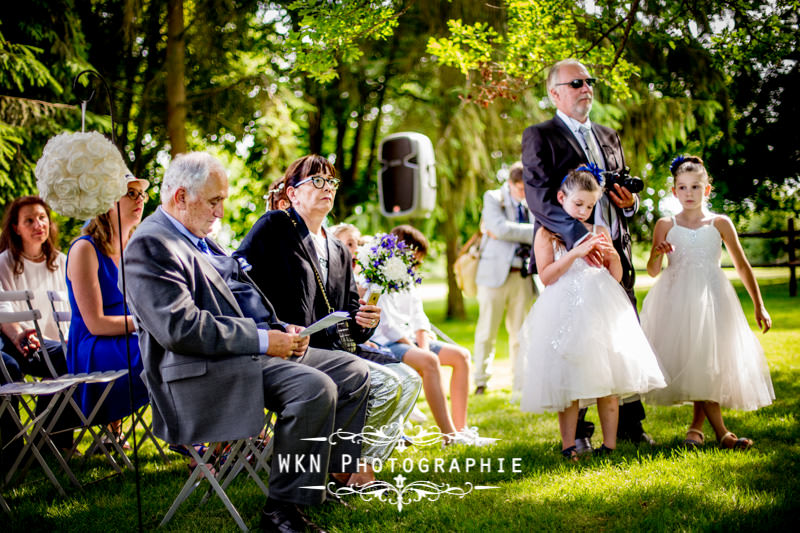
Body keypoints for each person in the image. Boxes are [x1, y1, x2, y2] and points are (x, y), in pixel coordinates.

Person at [124, 152, 370, 532]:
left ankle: (317, 482)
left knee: (353, 371)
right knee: (314, 387)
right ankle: (282, 511)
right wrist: (261, 341)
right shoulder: (152, 243)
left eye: (222, 200)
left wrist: (281, 328)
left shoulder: (201, 239)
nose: (221, 212)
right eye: (214, 201)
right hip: (200, 373)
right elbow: (179, 328)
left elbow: (242, 297)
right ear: (180, 197)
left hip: (244, 355)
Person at [236, 155, 421, 487]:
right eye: (317, 181)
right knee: (385, 384)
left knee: (409, 380)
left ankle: (351, 465)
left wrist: (366, 320)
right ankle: (348, 472)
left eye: (331, 182)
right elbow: (238, 280)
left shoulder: (336, 249)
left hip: (337, 349)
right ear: (292, 193)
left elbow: (350, 315)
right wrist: (271, 328)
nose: (327, 188)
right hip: (290, 350)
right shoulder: (275, 227)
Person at [521, 58, 653, 448]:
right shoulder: (539, 135)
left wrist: (629, 206)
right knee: (575, 342)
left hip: (614, 254)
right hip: (571, 253)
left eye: (588, 81)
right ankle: (577, 435)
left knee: (620, 338)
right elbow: (539, 196)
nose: (585, 87)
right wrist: (582, 240)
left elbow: (621, 197)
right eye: (575, 82)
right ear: (554, 93)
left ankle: (631, 425)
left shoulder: (609, 135)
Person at [519, 167, 665, 460]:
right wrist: (574, 252)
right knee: (569, 383)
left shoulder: (599, 231)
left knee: (607, 382)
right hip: (565, 312)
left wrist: (613, 258)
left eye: (590, 205)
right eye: (578, 204)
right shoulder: (547, 233)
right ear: (561, 198)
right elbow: (546, 276)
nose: (583, 211)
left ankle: (608, 446)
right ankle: (568, 445)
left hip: (601, 312)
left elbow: (615, 276)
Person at [641, 156, 774, 450]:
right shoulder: (665, 224)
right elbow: (652, 270)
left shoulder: (720, 223)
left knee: (707, 364)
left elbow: (742, 265)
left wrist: (759, 304)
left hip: (713, 299)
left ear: (708, 189)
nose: (689, 193)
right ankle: (720, 433)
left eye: (696, 187)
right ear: (674, 191)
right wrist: (656, 254)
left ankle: (698, 429)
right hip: (676, 300)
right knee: (696, 360)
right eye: (683, 187)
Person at [371, 225, 494, 446]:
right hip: (388, 344)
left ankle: (461, 428)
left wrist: (423, 345)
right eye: (415, 257)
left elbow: (419, 318)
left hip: (411, 341)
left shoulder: (408, 278)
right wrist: (419, 351)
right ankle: (449, 436)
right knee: (429, 361)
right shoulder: (377, 276)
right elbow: (388, 326)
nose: (416, 263)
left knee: (461, 356)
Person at [65, 175, 150, 435]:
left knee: (176, 344)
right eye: (131, 193)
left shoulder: (136, 248)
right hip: (94, 346)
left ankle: (199, 432)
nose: (141, 200)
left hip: (133, 336)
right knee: (162, 349)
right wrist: (148, 324)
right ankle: (187, 434)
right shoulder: (85, 249)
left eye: (142, 194)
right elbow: (96, 323)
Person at [0, 197, 73, 451]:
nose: (38, 224)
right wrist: (20, 333)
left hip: (57, 344)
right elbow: (3, 308)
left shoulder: (63, 261)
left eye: (42, 218)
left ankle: (49, 440)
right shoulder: (4, 263)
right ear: (16, 228)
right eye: (29, 220)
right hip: (18, 343)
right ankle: (26, 445)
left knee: (74, 355)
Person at [473, 162, 537, 399]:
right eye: (519, 188)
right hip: (493, 276)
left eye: (526, 188)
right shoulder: (493, 197)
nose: (523, 193)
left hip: (522, 275)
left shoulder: (532, 199)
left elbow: (506, 231)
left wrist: (514, 230)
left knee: (521, 334)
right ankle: (481, 380)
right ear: (510, 184)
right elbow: (499, 229)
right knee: (486, 331)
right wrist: (536, 231)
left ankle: (520, 383)